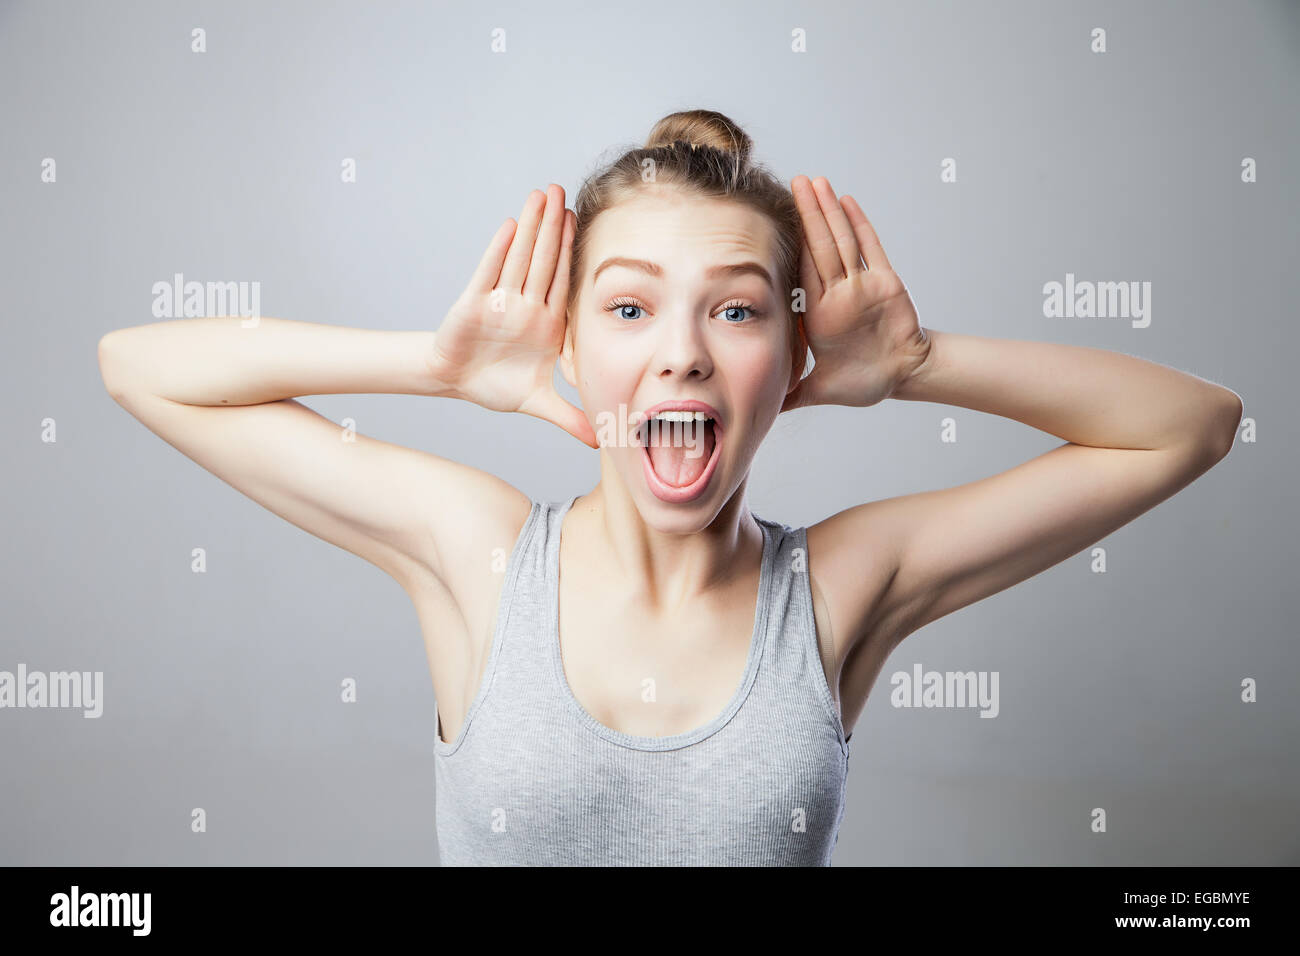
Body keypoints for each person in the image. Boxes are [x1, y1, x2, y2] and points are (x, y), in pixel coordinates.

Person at [98, 109, 1243, 866]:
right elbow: (140, 368)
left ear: (789, 357)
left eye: (737, 308)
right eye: (630, 306)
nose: (682, 352)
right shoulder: (480, 552)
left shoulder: (841, 583)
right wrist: (430, 366)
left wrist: (917, 364)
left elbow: (1189, 427)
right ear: (570, 341)